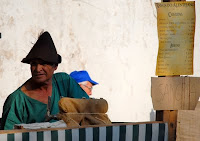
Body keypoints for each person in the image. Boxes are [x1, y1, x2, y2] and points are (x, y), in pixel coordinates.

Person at [1, 31, 89, 130]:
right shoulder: (17, 101)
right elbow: (8, 136)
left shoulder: (64, 82)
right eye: (34, 63)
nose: (38, 69)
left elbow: (89, 111)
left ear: (55, 66)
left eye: (43, 63)